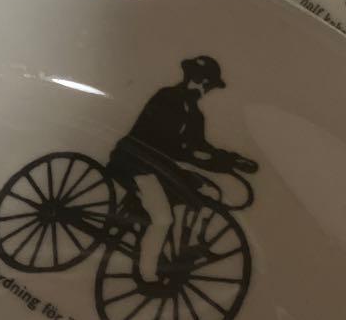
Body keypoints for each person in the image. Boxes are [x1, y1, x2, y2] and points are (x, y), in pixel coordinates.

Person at [107, 56, 254, 287]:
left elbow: (200, 146)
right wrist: (204, 162)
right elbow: (173, 147)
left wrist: (231, 160)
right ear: (194, 78)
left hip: (160, 168)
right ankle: (147, 272)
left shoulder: (195, 114)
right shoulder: (168, 98)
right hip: (136, 162)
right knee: (162, 218)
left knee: (206, 193)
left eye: (208, 85)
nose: (205, 88)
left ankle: (191, 242)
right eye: (204, 82)